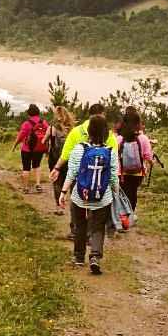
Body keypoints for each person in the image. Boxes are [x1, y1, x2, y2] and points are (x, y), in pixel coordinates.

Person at [59, 115, 119, 274]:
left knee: (80, 225)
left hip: (80, 196)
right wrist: (116, 193)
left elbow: (71, 173)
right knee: (98, 227)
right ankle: (95, 256)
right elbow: (113, 177)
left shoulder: (80, 149)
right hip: (102, 197)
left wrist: (63, 192)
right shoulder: (110, 152)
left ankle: (79, 258)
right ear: (106, 132)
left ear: (89, 131)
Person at [50, 103, 118, 239]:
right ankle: (90, 234)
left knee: (77, 203)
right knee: (95, 205)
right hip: (99, 177)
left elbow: (66, 153)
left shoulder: (76, 131)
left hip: (79, 176)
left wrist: (57, 168)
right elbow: (113, 157)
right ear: (102, 114)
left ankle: (76, 231)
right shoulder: (109, 135)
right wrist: (115, 180)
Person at [116, 107, 153, 211]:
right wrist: (151, 162)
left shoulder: (119, 139)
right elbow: (148, 156)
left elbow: (114, 156)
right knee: (133, 192)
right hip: (138, 173)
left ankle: (122, 213)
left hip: (122, 172)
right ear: (138, 123)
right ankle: (130, 213)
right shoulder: (143, 138)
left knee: (124, 192)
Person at [12, 104, 49, 194]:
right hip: (39, 149)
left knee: (26, 168)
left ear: (29, 113)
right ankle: (38, 185)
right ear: (38, 112)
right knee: (37, 166)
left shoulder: (26, 124)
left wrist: (14, 145)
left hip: (27, 149)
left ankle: (26, 188)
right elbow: (48, 134)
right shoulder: (43, 122)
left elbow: (20, 136)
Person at [47, 106, 75, 216]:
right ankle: (72, 204)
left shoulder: (52, 128)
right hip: (69, 159)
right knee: (69, 181)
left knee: (57, 182)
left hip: (55, 159)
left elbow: (44, 139)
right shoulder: (72, 129)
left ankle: (59, 207)